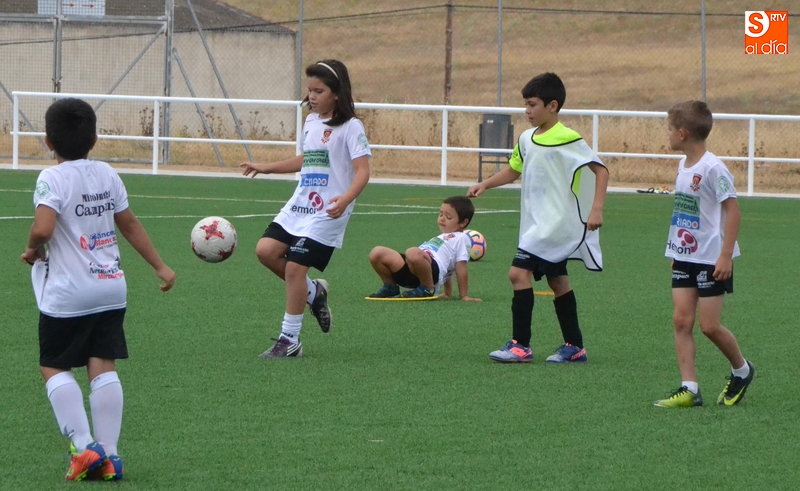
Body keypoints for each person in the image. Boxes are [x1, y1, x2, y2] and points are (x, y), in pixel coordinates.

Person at [20, 98, 175, 481]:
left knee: (53, 364)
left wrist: (32, 248)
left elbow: (43, 227)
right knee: (102, 364)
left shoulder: (52, 177)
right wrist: (160, 265)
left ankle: (84, 446)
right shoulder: (106, 173)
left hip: (69, 292)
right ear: (94, 139)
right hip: (110, 288)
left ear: (48, 142)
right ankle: (111, 456)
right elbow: (129, 223)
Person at [467, 72, 608, 364]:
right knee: (558, 281)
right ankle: (575, 347)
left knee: (517, 274)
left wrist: (596, 209)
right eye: (526, 105)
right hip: (535, 223)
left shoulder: (568, 138)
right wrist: (485, 184)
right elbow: (514, 170)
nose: (527, 111)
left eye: (532, 105)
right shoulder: (526, 139)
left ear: (552, 106)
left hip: (555, 225)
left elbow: (600, 170)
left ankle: (521, 345)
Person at [240, 59, 370, 358]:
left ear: (336, 93)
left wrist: (346, 199)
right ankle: (314, 293)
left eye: (319, 91)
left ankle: (290, 340)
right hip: (300, 204)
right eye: (309, 90)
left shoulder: (351, 127)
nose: (312, 96)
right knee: (265, 251)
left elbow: (363, 171)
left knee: (295, 269)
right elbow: (306, 158)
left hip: (329, 210)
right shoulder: (311, 121)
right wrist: (267, 167)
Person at [653, 100, 754, 408]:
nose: (667, 134)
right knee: (681, 320)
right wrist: (676, 248)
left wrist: (725, 255)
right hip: (684, 256)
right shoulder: (682, 165)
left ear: (682, 133)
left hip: (712, 259)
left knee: (709, 326)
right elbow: (685, 212)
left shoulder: (713, 168)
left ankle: (742, 370)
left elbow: (733, 211)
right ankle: (690, 388)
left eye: (669, 129)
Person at [367, 196, 481, 301]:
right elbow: (447, 265)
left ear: (463, 222)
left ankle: (427, 288)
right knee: (377, 252)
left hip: (429, 271)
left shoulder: (462, 238)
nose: (442, 219)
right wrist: (448, 293)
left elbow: (460, 267)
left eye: (448, 217)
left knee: (412, 252)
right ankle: (391, 287)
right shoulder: (442, 236)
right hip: (414, 267)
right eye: (441, 214)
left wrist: (464, 296)